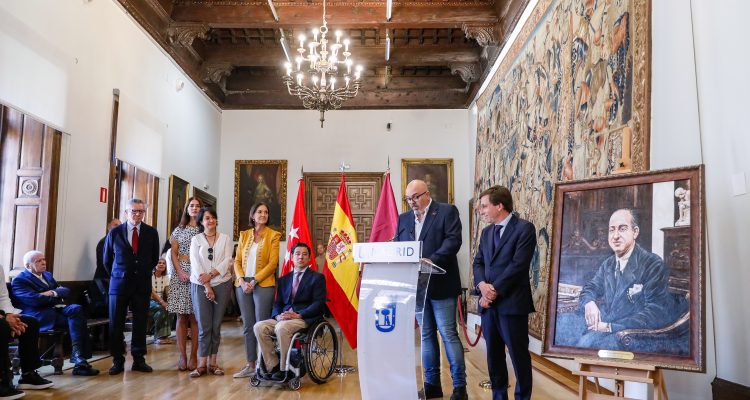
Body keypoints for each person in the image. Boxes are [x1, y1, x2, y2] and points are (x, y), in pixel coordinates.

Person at [394, 179, 466, 400]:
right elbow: (400, 245)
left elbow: (453, 242)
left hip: (442, 283)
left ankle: (459, 387)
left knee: (448, 334)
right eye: (408, 199)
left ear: (427, 193)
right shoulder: (404, 219)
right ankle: (432, 384)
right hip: (417, 287)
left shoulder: (446, 211)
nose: (412, 202)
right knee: (426, 335)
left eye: (416, 197)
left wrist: (431, 261)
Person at [577, 209, 674, 350]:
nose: (615, 236)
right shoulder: (608, 264)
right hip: (609, 333)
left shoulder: (652, 264)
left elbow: (655, 313)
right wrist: (589, 303)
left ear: (635, 232)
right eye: (612, 230)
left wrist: (609, 327)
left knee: (586, 345)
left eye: (622, 229)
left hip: (636, 338)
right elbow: (590, 287)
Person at [473, 185, 537, 400]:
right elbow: (479, 262)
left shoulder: (524, 229)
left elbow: (518, 266)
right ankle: (498, 396)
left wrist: (493, 291)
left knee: (519, 357)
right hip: (490, 307)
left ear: (499, 206)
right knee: (494, 356)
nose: (481, 211)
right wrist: (482, 285)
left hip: (511, 305)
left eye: (484, 206)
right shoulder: (486, 232)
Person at [12, 251, 100, 377]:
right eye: (38, 261)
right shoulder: (20, 280)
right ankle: (80, 361)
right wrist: (55, 294)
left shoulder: (47, 275)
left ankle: (78, 358)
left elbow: (65, 290)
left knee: (76, 309)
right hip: (39, 316)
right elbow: (34, 300)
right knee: (78, 321)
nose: (43, 262)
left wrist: (50, 293)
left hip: (56, 310)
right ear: (28, 265)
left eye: (44, 259)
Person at [253, 243, 326, 381]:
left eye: (305, 254)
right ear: (292, 257)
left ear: (310, 258)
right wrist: (277, 315)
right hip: (283, 317)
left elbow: (319, 303)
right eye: (297, 254)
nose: (301, 257)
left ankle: (284, 368)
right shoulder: (284, 279)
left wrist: (299, 314)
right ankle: (272, 365)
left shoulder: (317, 278)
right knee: (259, 326)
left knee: (281, 328)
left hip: (303, 318)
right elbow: (278, 303)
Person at [103, 198, 160, 375]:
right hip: (118, 284)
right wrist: (121, 273)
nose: (137, 214)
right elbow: (106, 260)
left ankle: (138, 359)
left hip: (141, 284)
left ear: (144, 213)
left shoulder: (151, 232)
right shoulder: (115, 232)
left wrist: (141, 272)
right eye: (133, 211)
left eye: (140, 211)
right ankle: (117, 360)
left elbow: (153, 258)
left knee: (141, 323)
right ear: (126, 213)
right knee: (116, 323)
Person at [232, 202, 280, 379]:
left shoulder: (274, 235)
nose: (263, 214)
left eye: (266, 212)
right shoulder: (244, 235)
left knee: (262, 325)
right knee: (248, 326)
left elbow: (272, 263)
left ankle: (265, 364)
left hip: (264, 284)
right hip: (243, 284)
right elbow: (236, 261)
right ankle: (250, 364)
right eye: (259, 212)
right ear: (253, 215)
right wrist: (241, 280)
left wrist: (255, 281)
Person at [0, 258, 54, 399]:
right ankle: (2, 379)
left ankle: (28, 375)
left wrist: (9, 314)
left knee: (31, 323)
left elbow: (3, 297)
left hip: (3, 314)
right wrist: (3, 318)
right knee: (2, 327)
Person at [188, 207, 233, 378]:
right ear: (201, 221)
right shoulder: (196, 239)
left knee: (216, 326)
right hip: (200, 285)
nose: (211, 220)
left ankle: (213, 363)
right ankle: (201, 364)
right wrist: (207, 285)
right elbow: (196, 263)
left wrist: (212, 275)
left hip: (222, 283)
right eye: (207, 218)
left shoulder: (226, 238)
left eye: (213, 217)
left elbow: (228, 260)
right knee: (204, 326)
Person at [167, 197, 202, 371]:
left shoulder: (204, 229)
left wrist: (197, 274)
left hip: (198, 274)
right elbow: (173, 253)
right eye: (192, 206)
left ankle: (194, 356)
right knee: (181, 317)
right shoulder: (179, 229)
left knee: (195, 318)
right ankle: (182, 356)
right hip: (180, 273)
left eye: (197, 206)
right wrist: (180, 271)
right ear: (187, 209)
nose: (194, 208)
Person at [150, 258, 172, 345]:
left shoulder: (166, 277)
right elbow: (152, 292)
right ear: (155, 265)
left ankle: (164, 336)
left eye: (164, 263)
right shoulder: (149, 276)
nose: (161, 264)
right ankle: (158, 337)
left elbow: (168, 291)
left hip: (160, 301)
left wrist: (171, 302)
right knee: (161, 308)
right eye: (159, 263)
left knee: (171, 309)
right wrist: (163, 302)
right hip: (150, 301)